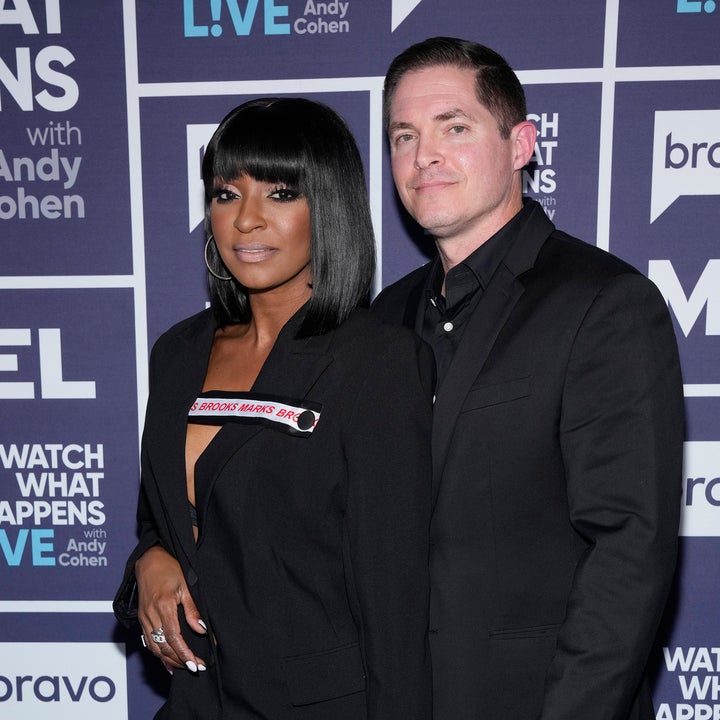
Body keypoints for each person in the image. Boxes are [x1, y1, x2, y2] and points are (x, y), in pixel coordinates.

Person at [371, 37, 684, 720]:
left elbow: (627, 549)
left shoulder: (603, 303)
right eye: (403, 136)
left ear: (520, 145)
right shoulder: (382, 319)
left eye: (454, 127)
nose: (424, 155)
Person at [113, 97, 433, 719]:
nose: (246, 220)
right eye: (226, 194)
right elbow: (165, 517)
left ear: (329, 208)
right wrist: (149, 559)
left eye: (280, 194)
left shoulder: (378, 363)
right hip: (197, 701)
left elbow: (394, 597)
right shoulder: (178, 352)